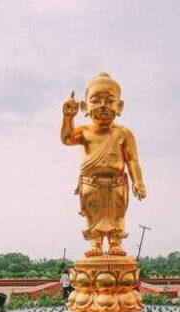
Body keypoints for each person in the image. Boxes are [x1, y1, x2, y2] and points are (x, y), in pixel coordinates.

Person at [61, 72, 147, 257]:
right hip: (90, 183)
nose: (103, 106)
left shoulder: (124, 133)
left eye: (109, 101)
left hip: (117, 183)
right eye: (96, 100)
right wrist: (68, 118)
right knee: (93, 213)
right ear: (85, 106)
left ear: (120, 106)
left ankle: (116, 241)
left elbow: (132, 160)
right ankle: (96, 242)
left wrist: (138, 181)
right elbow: (67, 139)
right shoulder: (84, 131)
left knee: (117, 214)